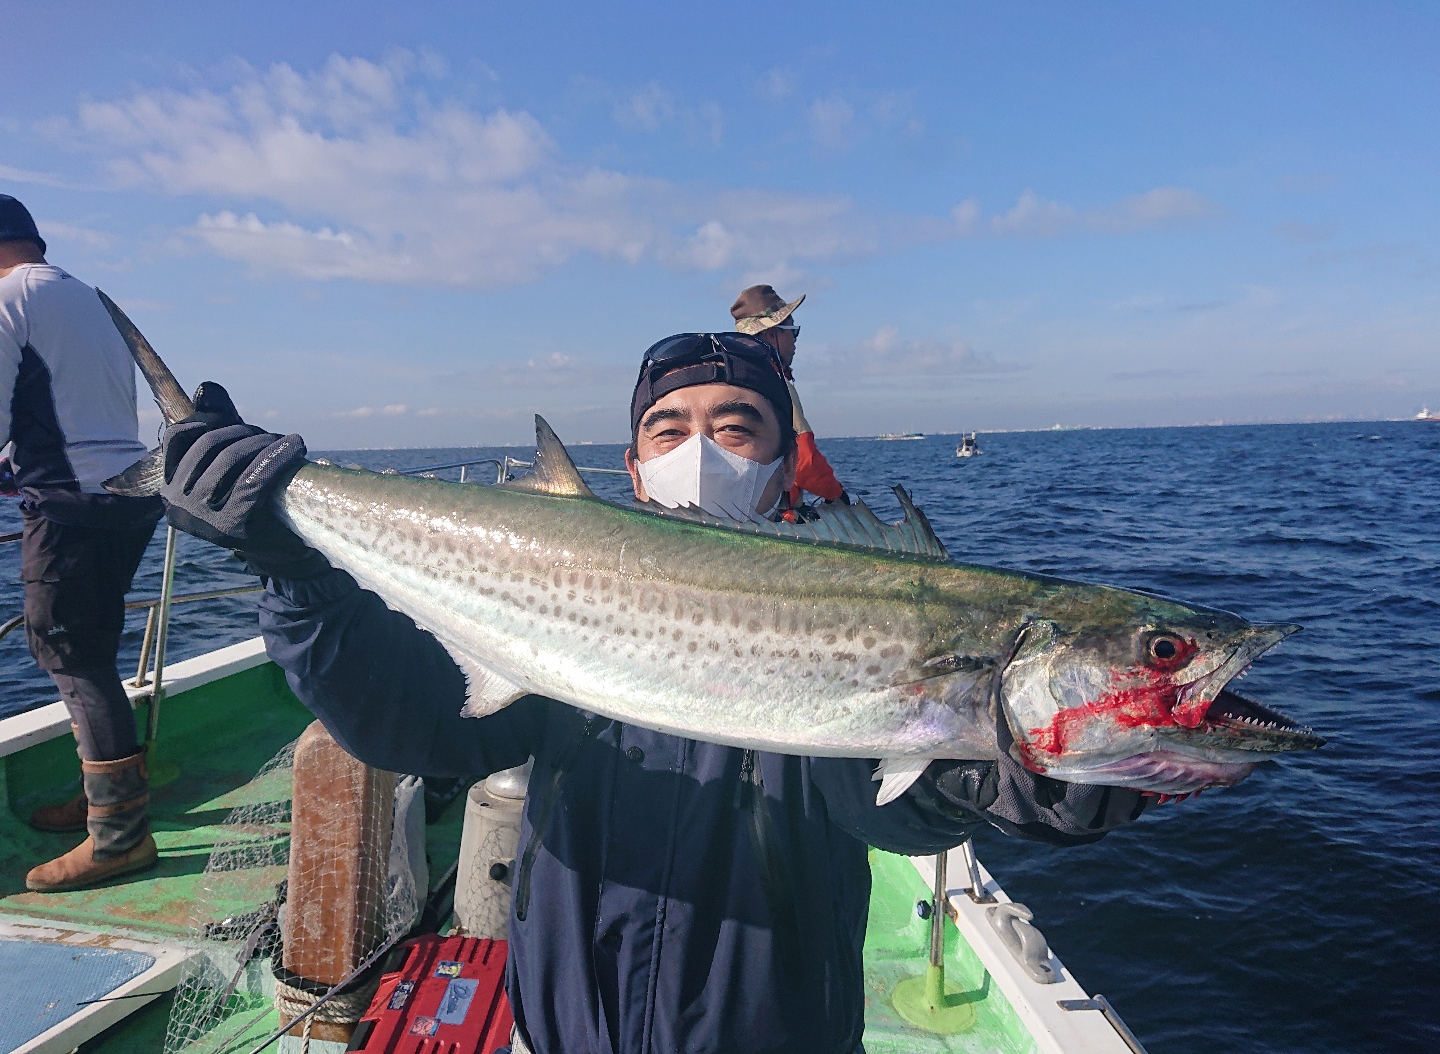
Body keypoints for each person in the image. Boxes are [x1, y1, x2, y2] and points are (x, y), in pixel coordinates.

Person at [158, 334, 1153, 1054]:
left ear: (782, 467)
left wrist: (1038, 776)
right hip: (562, 1029)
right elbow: (413, 725)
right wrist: (294, 572)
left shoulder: (845, 617)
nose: (702, 445)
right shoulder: (572, 602)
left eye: (737, 424)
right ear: (633, 468)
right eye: (669, 426)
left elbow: (891, 799)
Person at [0, 195, 165, 892]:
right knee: (91, 654)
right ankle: (102, 803)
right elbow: (81, 409)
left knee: (68, 654)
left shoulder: (9, 298)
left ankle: (119, 838)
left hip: (72, 507)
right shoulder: (88, 297)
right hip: (126, 496)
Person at [731, 285, 845, 508]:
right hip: (777, 522)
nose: (795, 339)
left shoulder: (733, 380)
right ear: (772, 332)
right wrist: (839, 497)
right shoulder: (775, 384)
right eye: (792, 330)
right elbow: (804, 459)